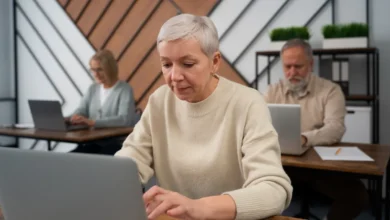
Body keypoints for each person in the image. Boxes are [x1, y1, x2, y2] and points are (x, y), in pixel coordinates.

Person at [115, 14, 292, 220]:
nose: (174, 76)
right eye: (166, 64)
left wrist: (199, 207)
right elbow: (129, 162)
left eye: (187, 64)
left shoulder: (248, 102)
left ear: (214, 61)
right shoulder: (160, 101)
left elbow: (274, 190)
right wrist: (109, 183)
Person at [264, 39, 369, 220]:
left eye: (298, 66)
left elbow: (335, 128)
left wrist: (304, 139)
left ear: (311, 64)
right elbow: (258, 123)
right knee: (249, 185)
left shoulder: (330, 90)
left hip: (320, 166)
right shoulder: (273, 90)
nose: (292, 72)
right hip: (282, 163)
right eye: (287, 66)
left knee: (357, 195)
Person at [68, 49, 140, 155]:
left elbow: (124, 120)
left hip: (115, 144)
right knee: (69, 158)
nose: (95, 74)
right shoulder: (93, 88)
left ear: (110, 69)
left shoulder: (124, 89)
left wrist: (93, 122)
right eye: (93, 70)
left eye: (99, 70)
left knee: (92, 160)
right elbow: (82, 109)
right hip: (92, 141)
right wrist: (74, 117)